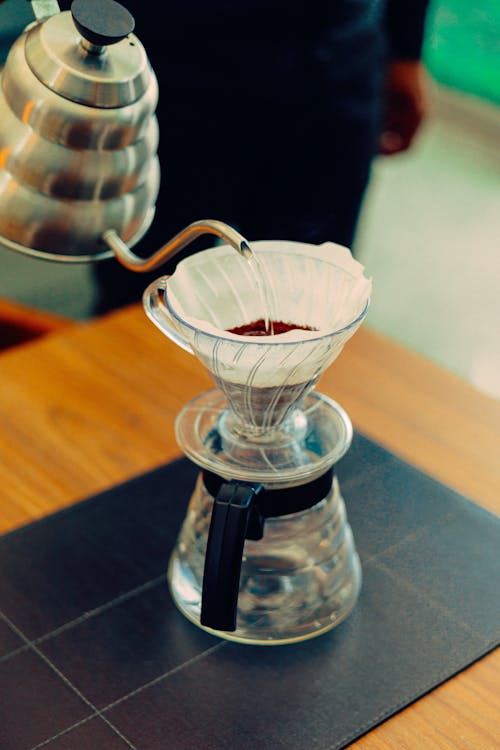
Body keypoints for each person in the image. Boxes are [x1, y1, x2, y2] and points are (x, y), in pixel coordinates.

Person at [84, 0, 430, 313]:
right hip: (174, 66)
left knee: (306, 300)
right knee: (145, 298)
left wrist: (406, 45)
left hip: (336, 59)